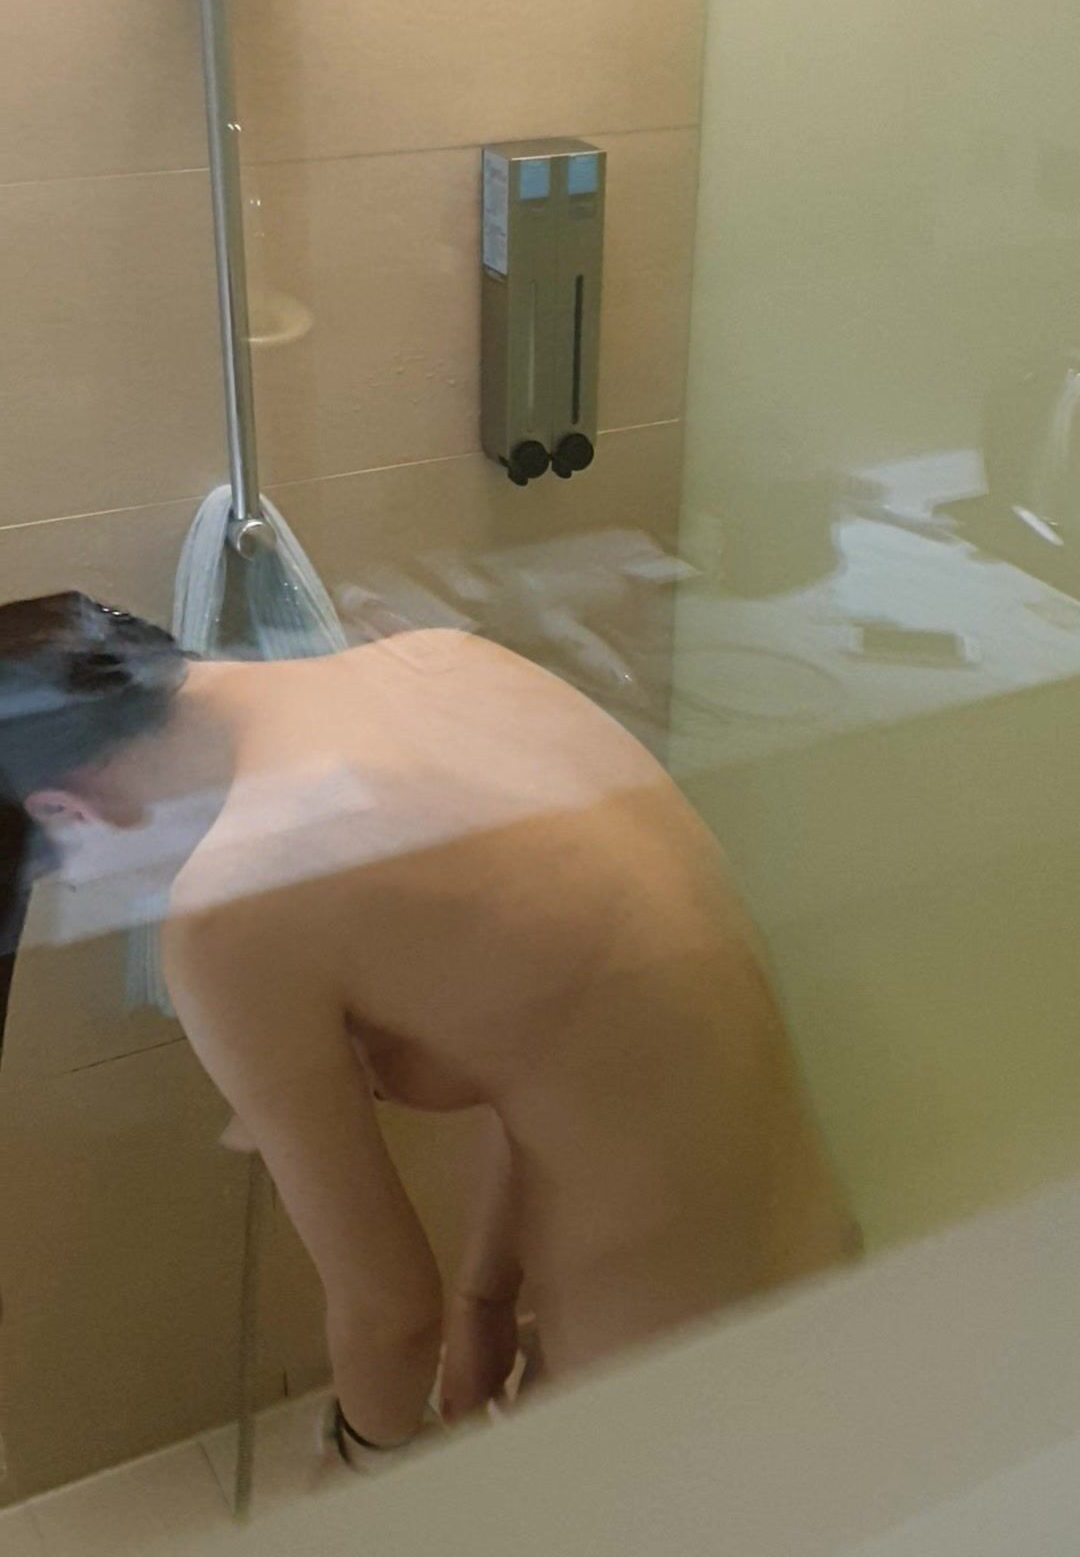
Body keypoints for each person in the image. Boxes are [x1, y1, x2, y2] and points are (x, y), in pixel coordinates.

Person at [0, 592, 857, 1460]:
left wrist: (358, 1463)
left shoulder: (233, 902)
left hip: (667, 1355)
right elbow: (567, 1041)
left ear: (63, 810)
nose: (85, 888)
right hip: (816, 1243)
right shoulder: (443, 662)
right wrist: (486, 1297)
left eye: (60, 877)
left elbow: (389, 1312)